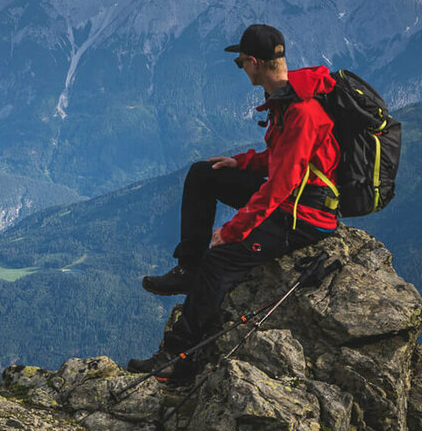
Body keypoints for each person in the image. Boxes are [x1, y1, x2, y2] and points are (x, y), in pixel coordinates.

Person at [126, 24, 340, 384]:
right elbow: (280, 157)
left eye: (240, 62)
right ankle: (186, 268)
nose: (240, 68)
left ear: (255, 63)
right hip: (292, 195)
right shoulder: (287, 98)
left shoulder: (302, 112)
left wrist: (231, 231)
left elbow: (281, 186)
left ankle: (177, 360)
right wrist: (241, 162)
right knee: (203, 173)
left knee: (219, 262)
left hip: (303, 215)